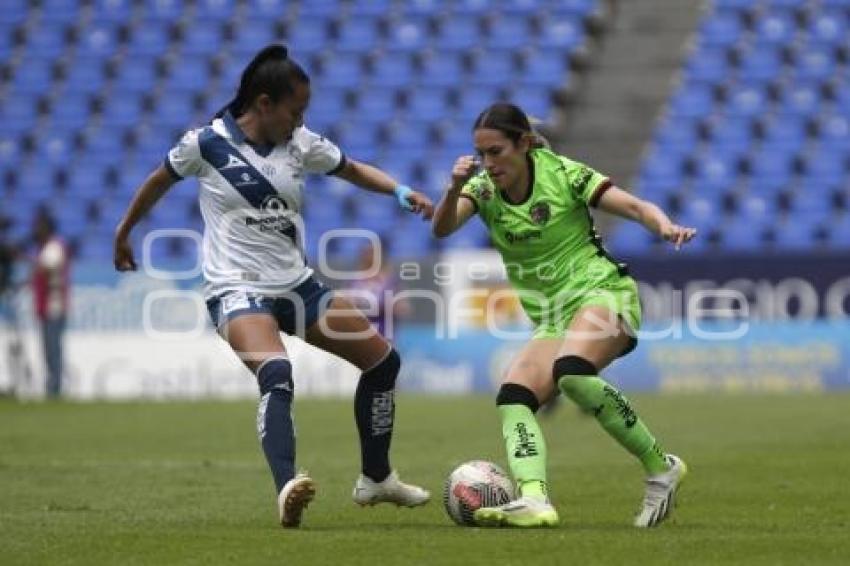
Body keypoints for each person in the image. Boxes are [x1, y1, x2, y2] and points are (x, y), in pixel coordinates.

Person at [114, 45, 434, 528]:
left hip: (297, 286)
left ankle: (376, 477)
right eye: (294, 110)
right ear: (264, 104)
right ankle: (287, 485)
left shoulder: (300, 144)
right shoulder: (205, 144)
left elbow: (352, 168)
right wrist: (124, 230)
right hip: (236, 289)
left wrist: (399, 191)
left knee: (383, 361)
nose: (299, 120)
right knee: (277, 373)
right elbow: (158, 180)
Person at [432, 103, 696, 528]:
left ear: (522, 143)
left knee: (571, 372)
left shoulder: (563, 174)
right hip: (554, 317)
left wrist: (663, 227)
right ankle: (535, 499)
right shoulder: (480, 191)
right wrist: (453, 188)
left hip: (604, 292)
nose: (488, 163)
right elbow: (442, 228)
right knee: (513, 397)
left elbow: (634, 207)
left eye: (496, 152)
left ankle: (660, 465)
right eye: (481, 155)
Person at [31, 210, 70, 399]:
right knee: (49, 349)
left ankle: (55, 388)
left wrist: (29, 262)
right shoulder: (45, 248)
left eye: (39, 226)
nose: (35, 230)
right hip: (47, 306)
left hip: (54, 307)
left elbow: (47, 268)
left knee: (53, 349)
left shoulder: (54, 246)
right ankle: (52, 386)